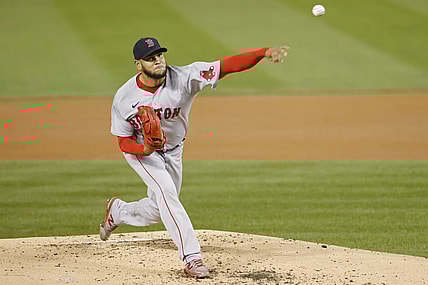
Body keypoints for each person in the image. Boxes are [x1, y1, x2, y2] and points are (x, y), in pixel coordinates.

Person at [100, 37, 289, 278]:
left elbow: (227, 65)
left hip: (175, 150)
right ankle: (192, 257)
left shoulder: (185, 77)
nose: (157, 60)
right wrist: (145, 149)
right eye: (150, 58)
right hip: (143, 153)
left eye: (159, 55)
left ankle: (118, 211)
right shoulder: (124, 97)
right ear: (139, 64)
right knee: (167, 192)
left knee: (159, 209)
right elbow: (123, 141)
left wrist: (263, 52)